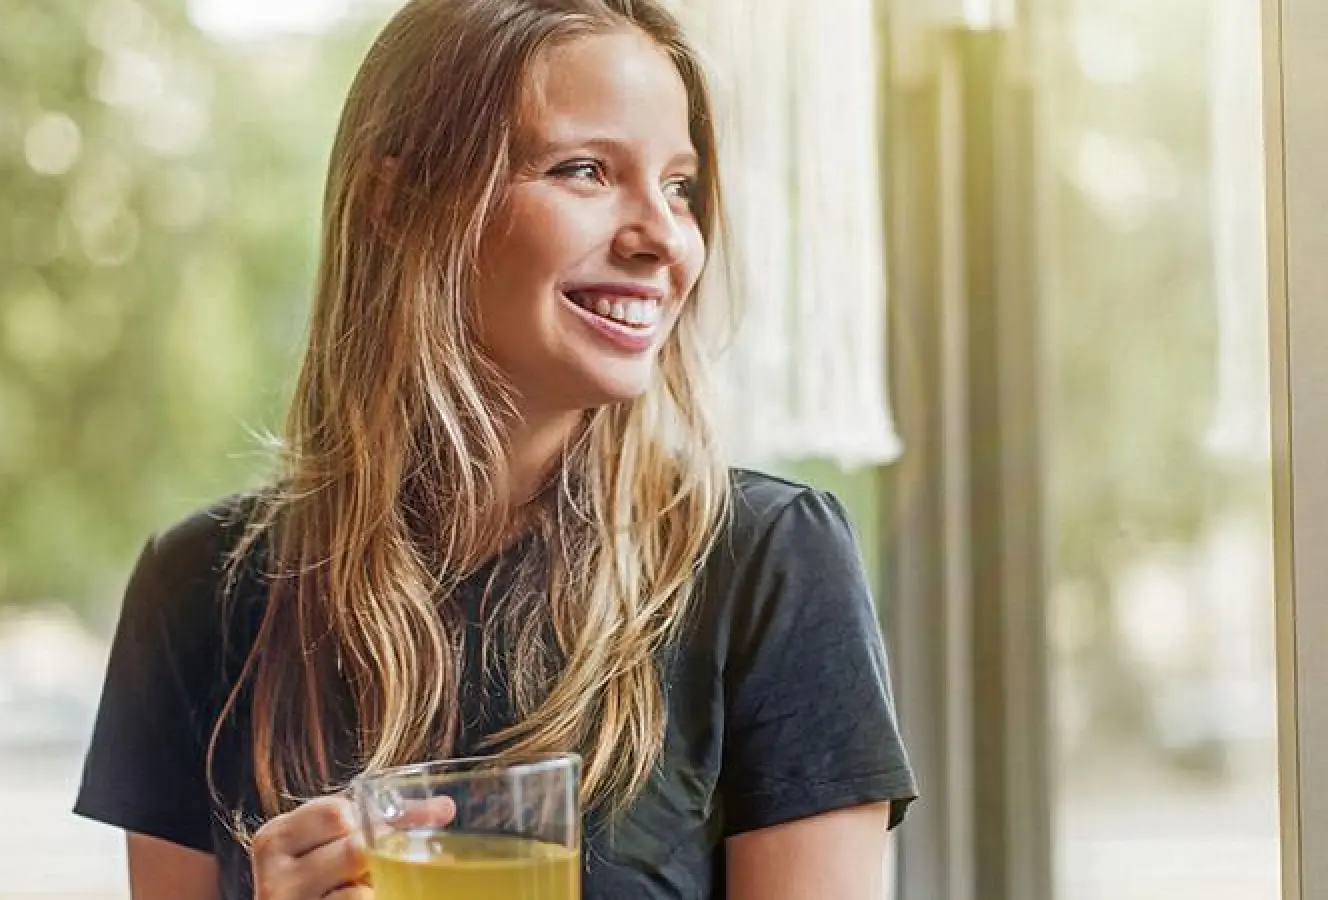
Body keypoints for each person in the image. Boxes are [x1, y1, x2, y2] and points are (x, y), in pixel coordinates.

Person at [73, 0, 917, 897]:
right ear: (397, 202)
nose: (664, 237)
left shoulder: (769, 563)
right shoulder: (198, 590)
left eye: (679, 185)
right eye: (586, 170)